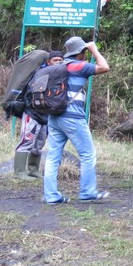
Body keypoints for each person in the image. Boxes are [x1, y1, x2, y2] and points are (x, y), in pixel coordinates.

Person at [43, 37, 111, 204]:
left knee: (53, 157)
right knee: (88, 154)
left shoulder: (57, 66)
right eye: (85, 52)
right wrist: (94, 50)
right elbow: (104, 67)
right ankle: (88, 192)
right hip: (72, 118)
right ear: (80, 52)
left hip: (53, 117)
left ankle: (51, 196)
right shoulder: (79, 66)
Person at [13, 50, 64, 180]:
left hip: (46, 116)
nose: (58, 63)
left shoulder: (59, 77)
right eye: (55, 60)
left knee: (39, 144)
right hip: (32, 113)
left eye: (60, 60)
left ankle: (33, 170)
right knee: (27, 140)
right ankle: (19, 172)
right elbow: (33, 95)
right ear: (48, 62)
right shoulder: (41, 74)